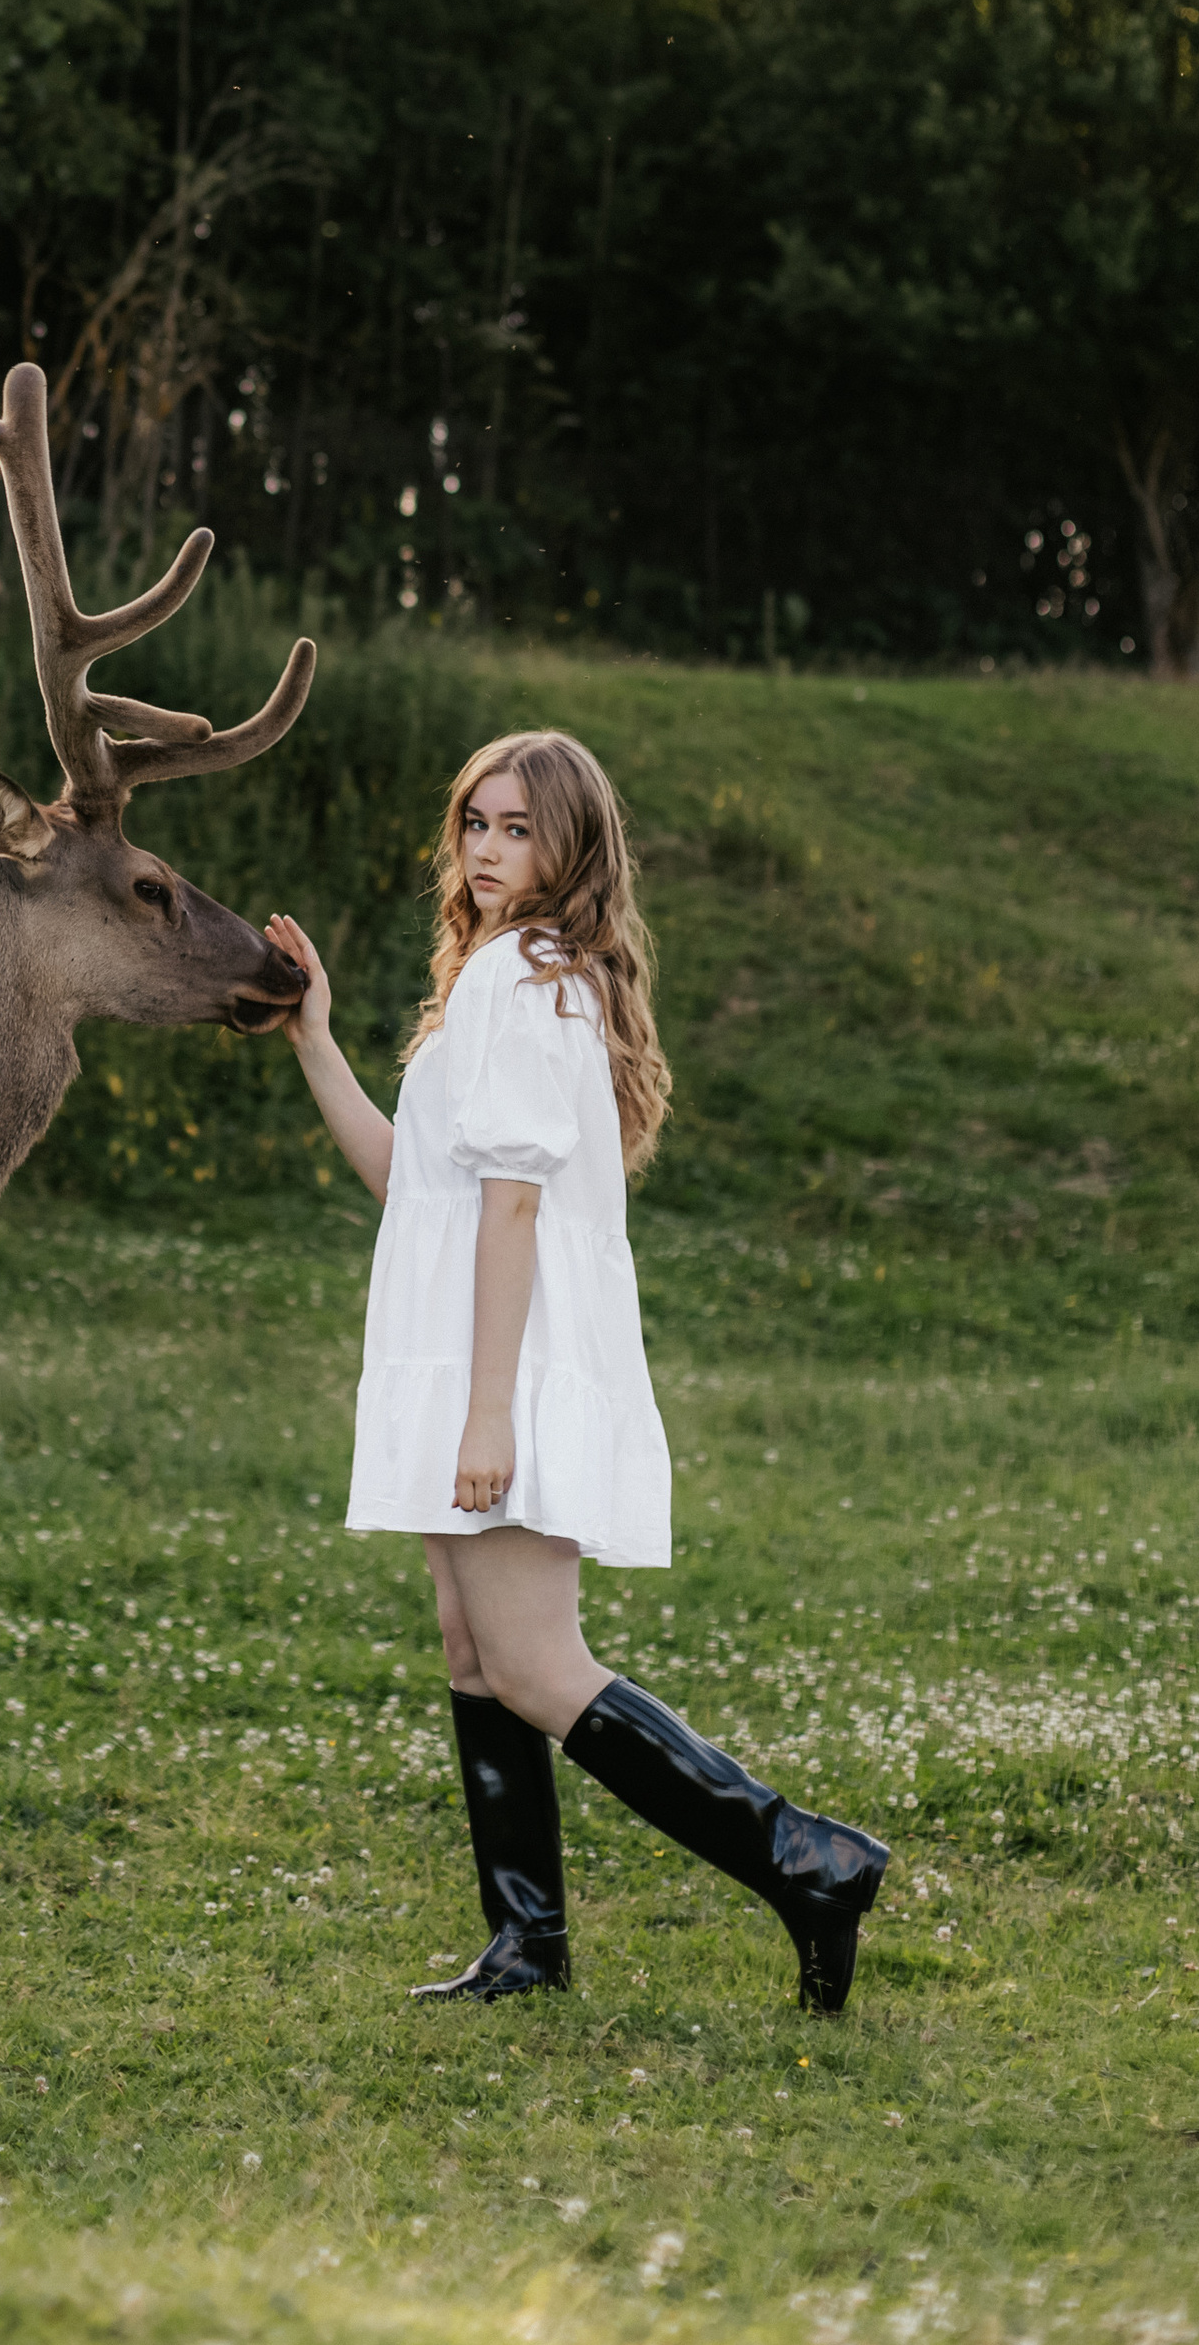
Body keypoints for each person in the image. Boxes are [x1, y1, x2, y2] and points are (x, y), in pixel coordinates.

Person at [266, 727, 885, 2014]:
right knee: (472, 1650)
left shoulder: (525, 978)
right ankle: (526, 1943)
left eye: (516, 829)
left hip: (507, 1360)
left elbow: (508, 1211)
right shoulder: (511, 975)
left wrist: (489, 1412)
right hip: (466, 1350)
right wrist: (314, 1036)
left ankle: (804, 1858)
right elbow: (412, 1187)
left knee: (538, 1664)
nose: (488, 851)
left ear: (572, 847)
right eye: (474, 824)